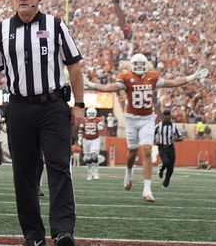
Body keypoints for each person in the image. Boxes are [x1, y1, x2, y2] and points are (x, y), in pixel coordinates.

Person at [0, 0, 83, 246]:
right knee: (23, 172)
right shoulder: (1, 30)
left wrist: (79, 104)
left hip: (52, 106)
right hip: (20, 107)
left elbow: (74, 66)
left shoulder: (56, 26)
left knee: (59, 165)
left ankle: (63, 231)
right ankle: (34, 236)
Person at [85, 53, 206, 203]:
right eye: (137, 65)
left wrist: (192, 77)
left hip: (147, 119)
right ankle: (128, 172)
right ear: (132, 66)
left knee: (147, 150)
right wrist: (91, 85)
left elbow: (173, 82)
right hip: (131, 119)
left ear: (146, 65)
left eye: (142, 65)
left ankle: (147, 189)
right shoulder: (126, 77)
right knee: (132, 153)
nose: (140, 68)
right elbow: (110, 87)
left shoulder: (152, 77)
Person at [155, 109, 183, 188]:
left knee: (170, 167)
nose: (167, 117)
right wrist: (155, 141)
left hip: (171, 147)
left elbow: (180, 137)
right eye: (165, 115)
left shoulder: (174, 126)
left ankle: (165, 184)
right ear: (163, 116)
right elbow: (151, 134)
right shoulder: (158, 126)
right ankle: (161, 168)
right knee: (166, 162)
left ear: (170, 116)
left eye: (168, 115)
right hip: (162, 147)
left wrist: (177, 139)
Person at [79, 107, 103, 180]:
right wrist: (80, 138)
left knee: (94, 155)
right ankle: (89, 173)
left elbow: (101, 128)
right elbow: (81, 130)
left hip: (95, 139)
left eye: (93, 113)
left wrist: (100, 125)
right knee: (88, 158)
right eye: (90, 113)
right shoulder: (84, 120)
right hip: (86, 139)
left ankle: (96, 172)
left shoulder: (98, 120)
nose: (91, 115)